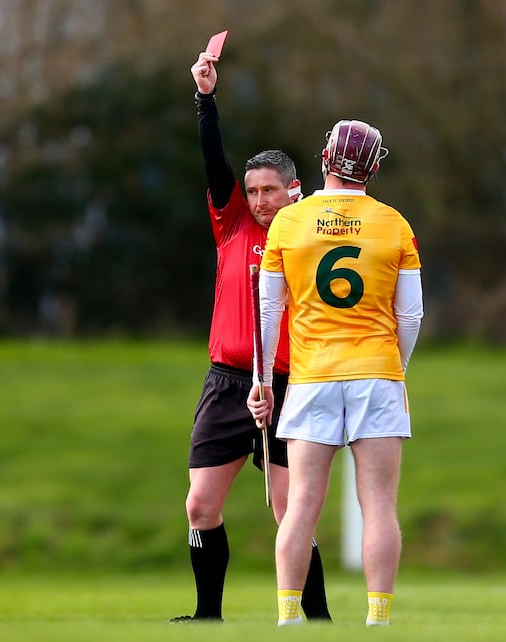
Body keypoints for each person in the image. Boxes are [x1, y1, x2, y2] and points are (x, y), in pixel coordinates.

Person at [169, 51, 331, 624]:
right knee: (200, 505)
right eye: (254, 190)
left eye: (271, 190)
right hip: (227, 384)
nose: (261, 200)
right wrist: (205, 99)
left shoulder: (309, 233)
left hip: (287, 387)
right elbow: (213, 160)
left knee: (290, 510)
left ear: (294, 191)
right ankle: (207, 615)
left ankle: (318, 621)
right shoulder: (233, 221)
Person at [247, 119, 424, 627]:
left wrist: (262, 378)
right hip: (377, 374)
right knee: (379, 505)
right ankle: (378, 619)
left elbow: (268, 310)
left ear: (326, 158)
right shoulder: (394, 223)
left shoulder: (288, 222)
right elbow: (410, 315)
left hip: (311, 376)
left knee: (301, 503)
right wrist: (397, 370)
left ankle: (287, 617)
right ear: (371, 166)